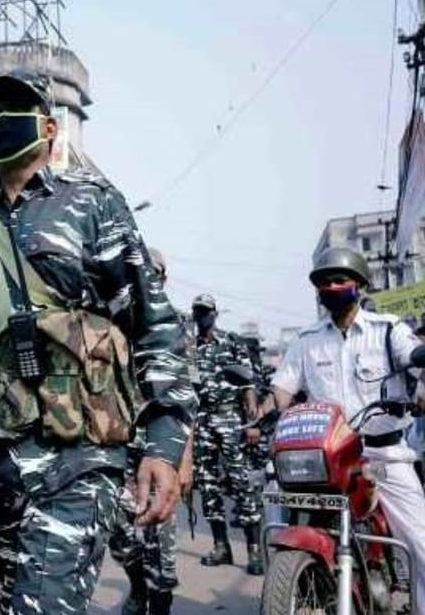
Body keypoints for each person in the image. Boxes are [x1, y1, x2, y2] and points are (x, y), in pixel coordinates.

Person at [0, 72, 195, 615]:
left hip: (77, 460)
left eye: (14, 109)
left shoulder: (92, 205)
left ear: (48, 127)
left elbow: (152, 323)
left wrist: (164, 441)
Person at [269, 247, 425, 614]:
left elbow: (415, 356)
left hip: (383, 455)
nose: (332, 287)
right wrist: (276, 409)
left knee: (421, 545)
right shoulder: (307, 340)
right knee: (272, 496)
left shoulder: (388, 330)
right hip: (329, 456)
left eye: (340, 280)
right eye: (325, 282)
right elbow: (283, 387)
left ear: (360, 285)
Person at [107, 249, 195, 615]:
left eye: (156, 272)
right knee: (120, 536)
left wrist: (183, 458)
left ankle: (159, 604)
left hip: (160, 448)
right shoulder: (110, 319)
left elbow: (185, 398)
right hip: (116, 447)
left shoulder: (175, 325)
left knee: (160, 542)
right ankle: (138, 587)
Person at [189, 293, 264, 575]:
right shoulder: (191, 348)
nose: (202, 316)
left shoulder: (232, 342)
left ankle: (253, 551)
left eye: (206, 311)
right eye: (198, 311)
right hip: (204, 418)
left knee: (241, 481)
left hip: (231, 415)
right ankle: (221, 546)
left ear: (215, 313)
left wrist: (252, 420)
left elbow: (248, 382)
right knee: (208, 484)